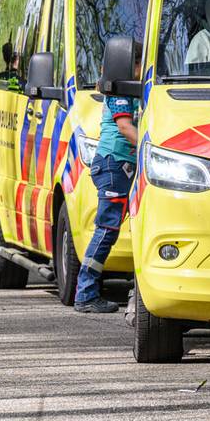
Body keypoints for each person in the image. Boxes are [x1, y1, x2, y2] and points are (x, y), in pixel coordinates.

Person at [73, 87, 140, 313]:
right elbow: (124, 127)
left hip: (120, 165)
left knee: (111, 230)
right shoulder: (120, 90)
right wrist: (154, 147)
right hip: (114, 165)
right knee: (106, 230)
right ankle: (85, 294)